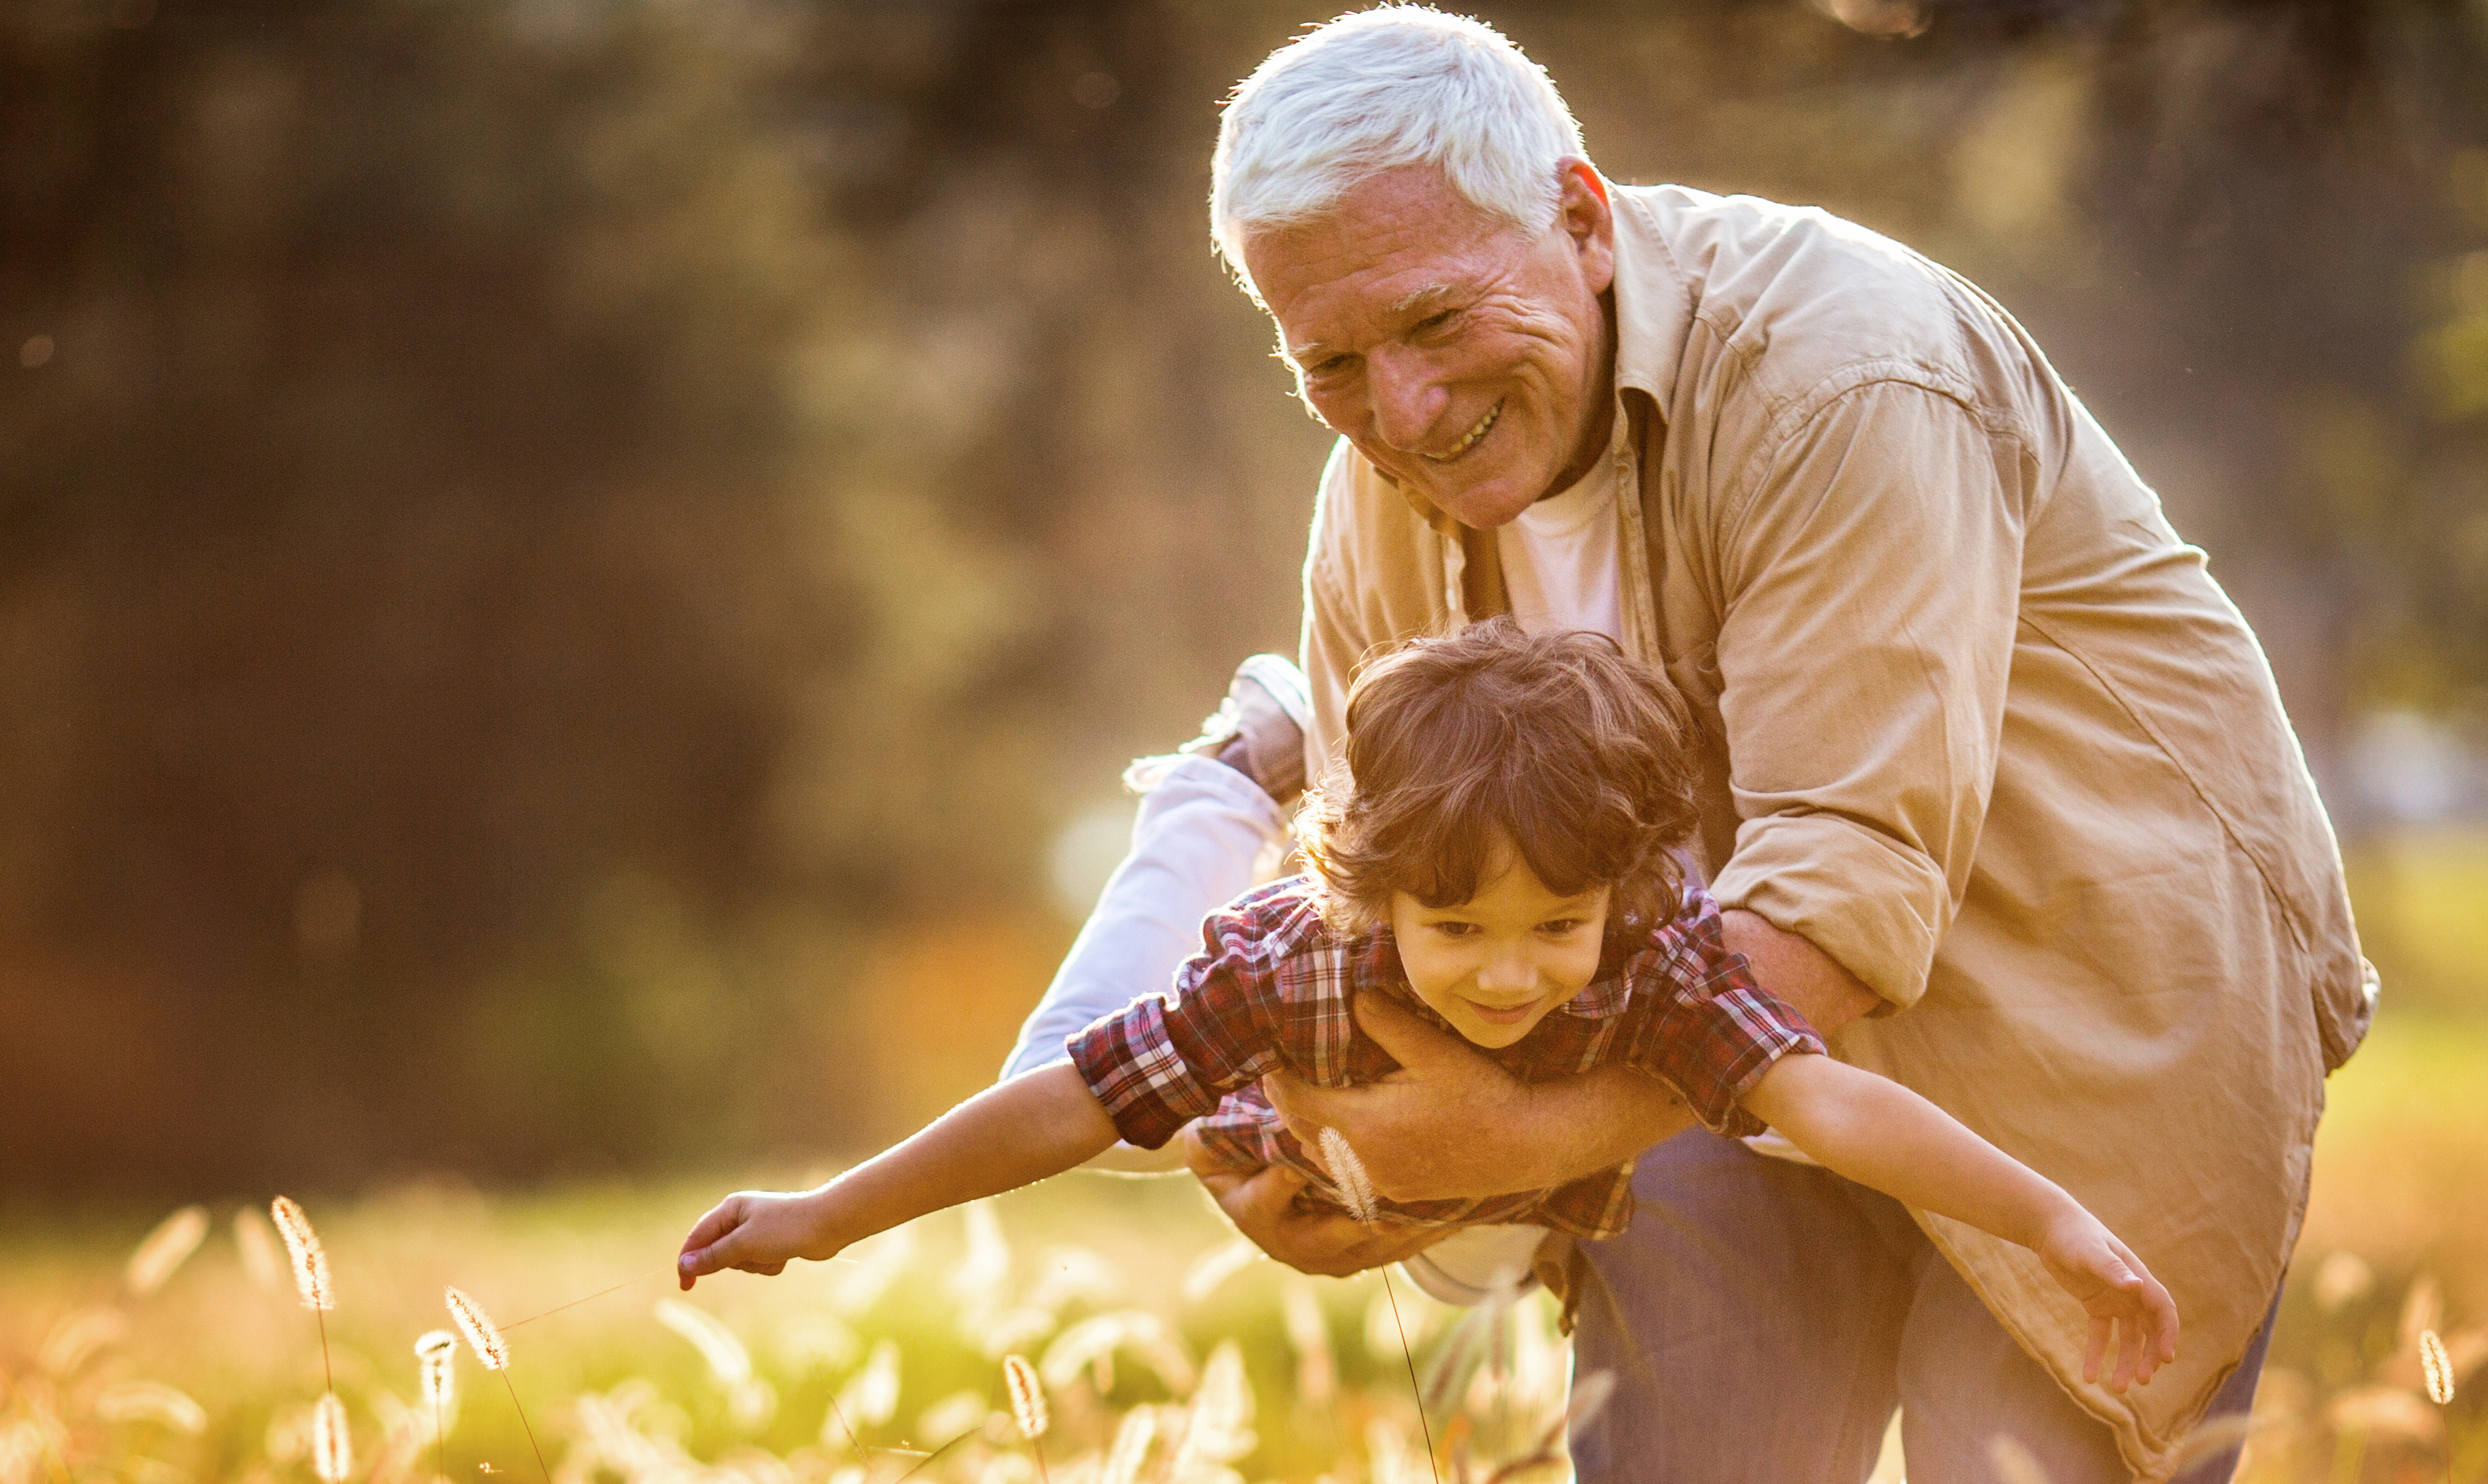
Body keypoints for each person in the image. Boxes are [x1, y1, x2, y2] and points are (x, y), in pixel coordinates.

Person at [993, 10, 2377, 1481]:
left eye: (1437, 321)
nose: (1403, 413)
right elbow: (1385, 908)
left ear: (1581, 222)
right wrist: (1335, 1160)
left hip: (2085, 1019)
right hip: (1706, 1042)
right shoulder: (1371, 501)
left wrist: (1469, 1151)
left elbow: (1839, 892)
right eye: (1329, 361)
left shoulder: (1845, 376)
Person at [681, 624, 2184, 1393]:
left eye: (1556, 926)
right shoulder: (1293, 961)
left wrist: (2047, 1216)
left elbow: (1832, 1102)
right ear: (1376, 891)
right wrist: (828, 1211)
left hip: (1500, 1169)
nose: (1511, 970)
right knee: (1072, 1068)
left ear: (1626, 893)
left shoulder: (1656, 960)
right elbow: (1066, 1104)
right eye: (1457, 925)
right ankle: (1226, 776)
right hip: (1289, 1112)